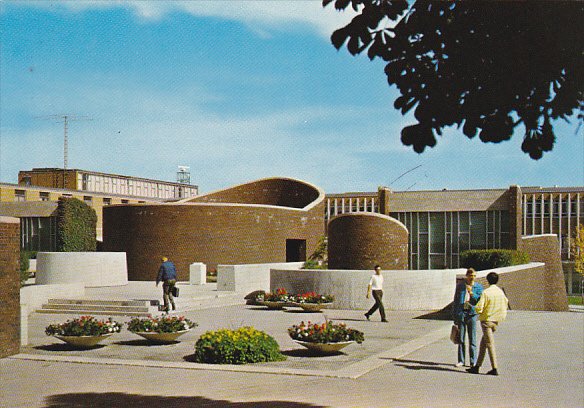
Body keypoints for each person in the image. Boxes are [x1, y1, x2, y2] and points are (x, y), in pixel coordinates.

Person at [467, 272, 509, 376]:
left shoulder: (486, 292)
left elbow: (479, 307)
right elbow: (506, 302)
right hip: (496, 321)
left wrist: (472, 306)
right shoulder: (500, 292)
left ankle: (494, 368)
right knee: (484, 343)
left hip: (486, 321)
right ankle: (477, 366)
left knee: (490, 344)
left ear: (488, 280)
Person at [452, 268, 483, 367]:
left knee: (472, 339)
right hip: (462, 313)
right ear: (467, 276)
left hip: (472, 314)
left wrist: (471, 293)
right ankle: (461, 360)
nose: (472, 278)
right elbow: (456, 301)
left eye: (474, 276)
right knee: (461, 338)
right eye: (470, 276)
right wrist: (455, 316)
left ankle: (472, 360)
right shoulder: (460, 286)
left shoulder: (478, 287)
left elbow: (478, 300)